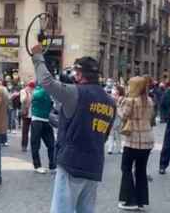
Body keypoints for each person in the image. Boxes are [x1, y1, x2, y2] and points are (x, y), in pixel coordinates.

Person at [31, 44, 116, 213]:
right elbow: (102, 133)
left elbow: (47, 82)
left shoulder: (75, 92)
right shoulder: (110, 102)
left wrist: (38, 58)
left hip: (72, 162)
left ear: (79, 74)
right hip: (94, 164)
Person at [117, 77, 155, 211]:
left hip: (133, 139)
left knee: (126, 168)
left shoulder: (130, 100)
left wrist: (119, 104)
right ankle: (141, 200)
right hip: (147, 139)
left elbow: (123, 116)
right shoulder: (149, 100)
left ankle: (129, 200)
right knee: (141, 170)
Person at [30, 84, 56, 174]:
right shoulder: (39, 90)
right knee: (35, 144)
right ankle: (37, 166)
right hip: (37, 120)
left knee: (52, 144)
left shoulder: (48, 90)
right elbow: (36, 95)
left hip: (46, 120)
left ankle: (53, 165)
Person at [108, 85, 125, 155]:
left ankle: (120, 148)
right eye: (114, 89)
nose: (114, 90)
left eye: (116, 89)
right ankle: (110, 148)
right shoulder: (111, 97)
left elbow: (122, 108)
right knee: (111, 133)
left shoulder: (122, 98)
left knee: (118, 134)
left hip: (119, 116)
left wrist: (117, 101)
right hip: (112, 116)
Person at [20, 81, 34, 152]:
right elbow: (22, 100)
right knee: (25, 131)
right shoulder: (23, 91)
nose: (32, 89)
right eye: (31, 87)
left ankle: (33, 146)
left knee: (34, 132)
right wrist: (28, 94)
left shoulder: (35, 92)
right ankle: (24, 146)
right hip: (26, 113)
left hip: (33, 114)